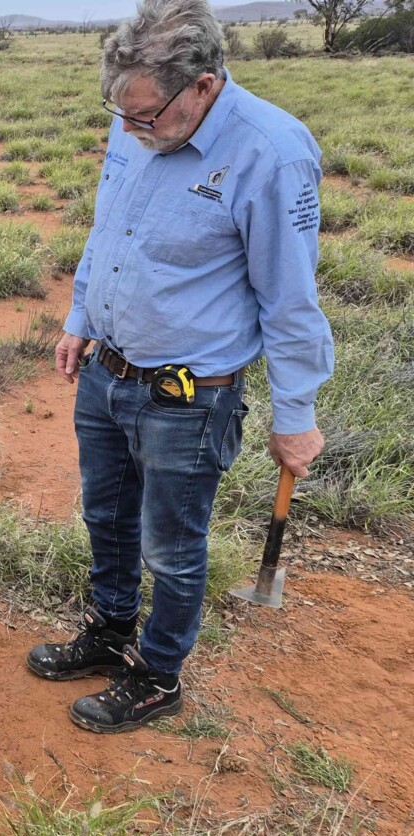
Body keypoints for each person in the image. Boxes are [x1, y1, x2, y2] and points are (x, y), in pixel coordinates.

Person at [31, 0, 333, 733]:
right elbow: (109, 232)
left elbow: (289, 302)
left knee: (171, 543)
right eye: (121, 113)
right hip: (107, 372)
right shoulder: (137, 122)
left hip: (188, 397)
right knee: (105, 518)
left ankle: (159, 674)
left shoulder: (273, 154)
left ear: (202, 85)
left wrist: (295, 417)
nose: (131, 130)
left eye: (145, 116)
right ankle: (109, 632)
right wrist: (80, 319)